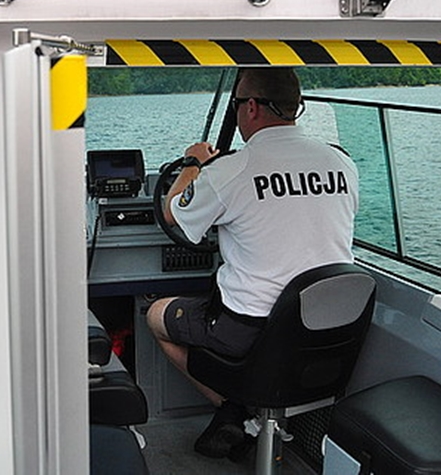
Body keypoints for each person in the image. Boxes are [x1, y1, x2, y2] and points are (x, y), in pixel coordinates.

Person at [146, 67, 359, 459]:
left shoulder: (230, 170)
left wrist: (194, 163)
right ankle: (244, 416)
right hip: (329, 331)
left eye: (237, 104)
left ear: (254, 108)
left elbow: (173, 212)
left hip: (249, 333)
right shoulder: (342, 163)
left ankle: (236, 409)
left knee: (156, 316)